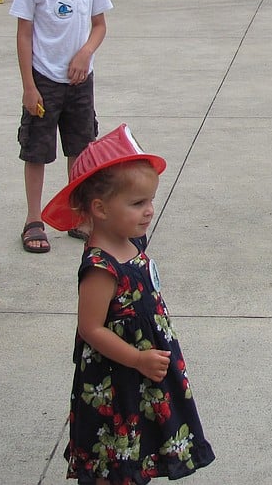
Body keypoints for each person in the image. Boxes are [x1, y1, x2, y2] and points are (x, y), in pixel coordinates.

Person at [42, 124, 215, 483]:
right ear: (100, 208)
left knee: (138, 453)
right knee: (113, 460)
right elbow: (90, 329)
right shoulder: (100, 267)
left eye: (150, 200)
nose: (149, 210)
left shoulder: (133, 242)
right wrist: (137, 358)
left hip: (143, 371)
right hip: (116, 377)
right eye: (138, 203)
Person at [10, 0, 113, 253]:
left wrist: (85, 52)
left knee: (80, 148)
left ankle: (77, 215)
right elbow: (24, 35)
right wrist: (28, 86)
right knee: (37, 151)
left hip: (80, 81)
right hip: (44, 80)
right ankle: (33, 219)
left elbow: (99, 24)